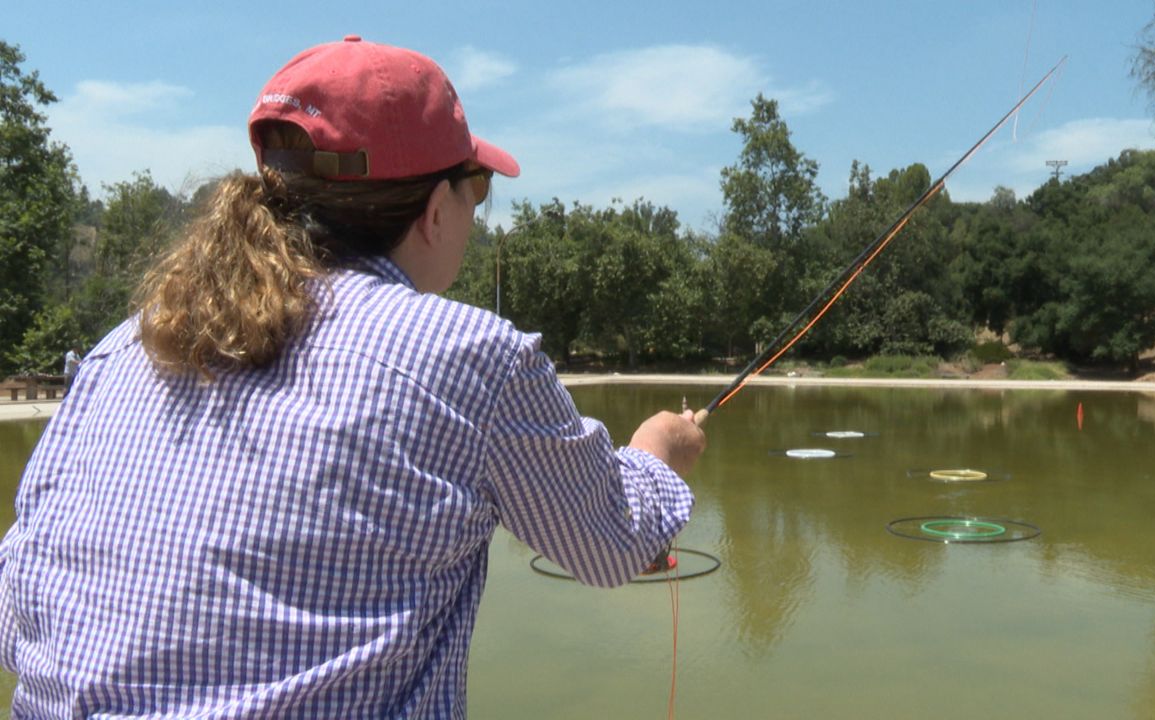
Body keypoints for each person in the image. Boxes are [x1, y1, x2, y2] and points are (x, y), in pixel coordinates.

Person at [0, 36, 705, 718]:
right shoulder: (472, 356)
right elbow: (610, 544)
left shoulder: (125, 348)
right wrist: (659, 449)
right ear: (433, 211)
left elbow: (17, 602)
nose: (476, 206)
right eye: (478, 187)